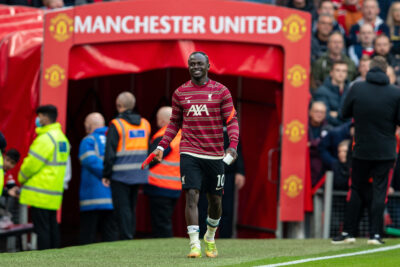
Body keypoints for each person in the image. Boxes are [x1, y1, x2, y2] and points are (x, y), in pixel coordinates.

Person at [149, 52, 239, 258]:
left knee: (215, 201)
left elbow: (232, 121)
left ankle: (209, 237)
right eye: (192, 64)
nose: (195, 67)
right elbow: (174, 124)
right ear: (188, 67)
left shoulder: (221, 91)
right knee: (191, 195)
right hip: (189, 151)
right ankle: (194, 244)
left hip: (215, 153)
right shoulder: (180, 92)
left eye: (199, 64)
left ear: (208, 65)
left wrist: (232, 145)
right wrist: (162, 146)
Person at [333, 56, 400, 245]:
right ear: (386, 70)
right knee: (380, 192)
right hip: (386, 151)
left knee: (355, 189)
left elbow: (343, 113)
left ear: (369, 69)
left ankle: (348, 232)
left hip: (361, 148)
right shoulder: (395, 93)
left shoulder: (357, 88)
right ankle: (375, 235)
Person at [18, 105, 70, 250]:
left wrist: (20, 178)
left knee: (42, 231)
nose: (38, 119)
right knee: (52, 227)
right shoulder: (62, 138)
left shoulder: (45, 139)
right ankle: (54, 259)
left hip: (40, 192)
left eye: (39, 116)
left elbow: (31, 165)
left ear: (46, 118)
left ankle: (44, 261)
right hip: (53, 193)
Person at [102, 92, 151, 240]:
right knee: (131, 207)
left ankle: (126, 236)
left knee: (122, 208)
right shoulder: (145, 124)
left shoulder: (116, 124)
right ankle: (130, 234)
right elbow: (148, 150)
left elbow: (109, 153)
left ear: (119, 106)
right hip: (138, 173)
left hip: (120, 174)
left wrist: (106, 174)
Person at [198, 126, 245, 239]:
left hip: (227, 173)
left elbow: (237, 150)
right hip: (206, 173)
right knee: (204, 206)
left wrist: (240, 171)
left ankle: (226, 237)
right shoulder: (203, 125)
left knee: (226, 208)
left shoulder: (230, 127)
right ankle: (202, 236)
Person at [78, 112, 117, 244]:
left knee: (88, 236)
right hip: (112, 195)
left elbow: (89, 161)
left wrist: (106, 174)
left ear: (89, 126)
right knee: (110, 235)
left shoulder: (88, 140)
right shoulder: (115, 139)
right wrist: (112, 175)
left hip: (92, 197)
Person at [144, 106, 182, 238]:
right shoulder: (181, 135)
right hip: (175, 186)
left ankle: (165, 247)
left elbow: (153, 157)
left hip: (159, 185)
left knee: (161, 224)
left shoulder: (164, 135)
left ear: (161, 121)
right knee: (165, 221)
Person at [313, 60, 350, 127]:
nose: (341, 74)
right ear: (331, 73)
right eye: (338, 70)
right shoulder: (322, 91)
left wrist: (337, 114)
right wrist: (344, 122)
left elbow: (352, 114)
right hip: (330, 130)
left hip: (347, 131)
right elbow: (325, 116)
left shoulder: (350, 91)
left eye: (344, 71)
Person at [308, 101, 331, 186]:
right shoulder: (302, 126)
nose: (319, 114)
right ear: (310, 112)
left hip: (320, 163)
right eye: (316, 111)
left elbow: (324, 144)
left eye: (322, 112)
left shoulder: (328, 128)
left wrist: (311, 144)